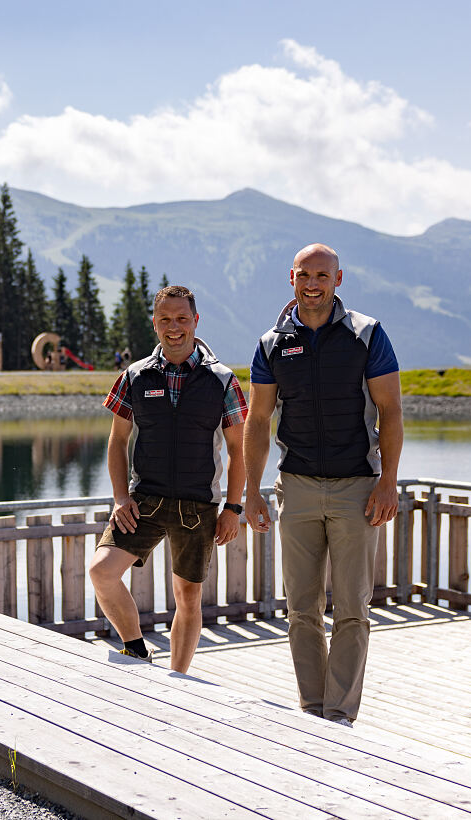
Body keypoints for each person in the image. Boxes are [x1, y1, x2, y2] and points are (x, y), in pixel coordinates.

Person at [243, 243, 403, 727]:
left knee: (353, 608)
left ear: (339, 279)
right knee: (301, 609)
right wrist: (251, 492)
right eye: (304, 274)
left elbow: (391, 412)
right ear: (290, 278)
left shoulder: (367, 334)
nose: (313, 283)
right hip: (297, 487)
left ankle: (340, 713)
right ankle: (312, 710)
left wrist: (388, 481)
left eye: (322, 275)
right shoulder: (272, 343)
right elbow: (258, 420)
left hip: (358, 487)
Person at [90, 285, 247, 674]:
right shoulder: (135, 375)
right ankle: (136, 648)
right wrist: (119, 497)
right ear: (154, 323)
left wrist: (233, 508)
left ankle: (178, 679)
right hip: (144, 501)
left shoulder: (222, 380)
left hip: (199, 505)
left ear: (196, 321)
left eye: (181, 318)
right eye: (165, 319)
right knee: (101, 571)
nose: (173, 327)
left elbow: (238, 451)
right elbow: (118, 440)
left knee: (188, 598)